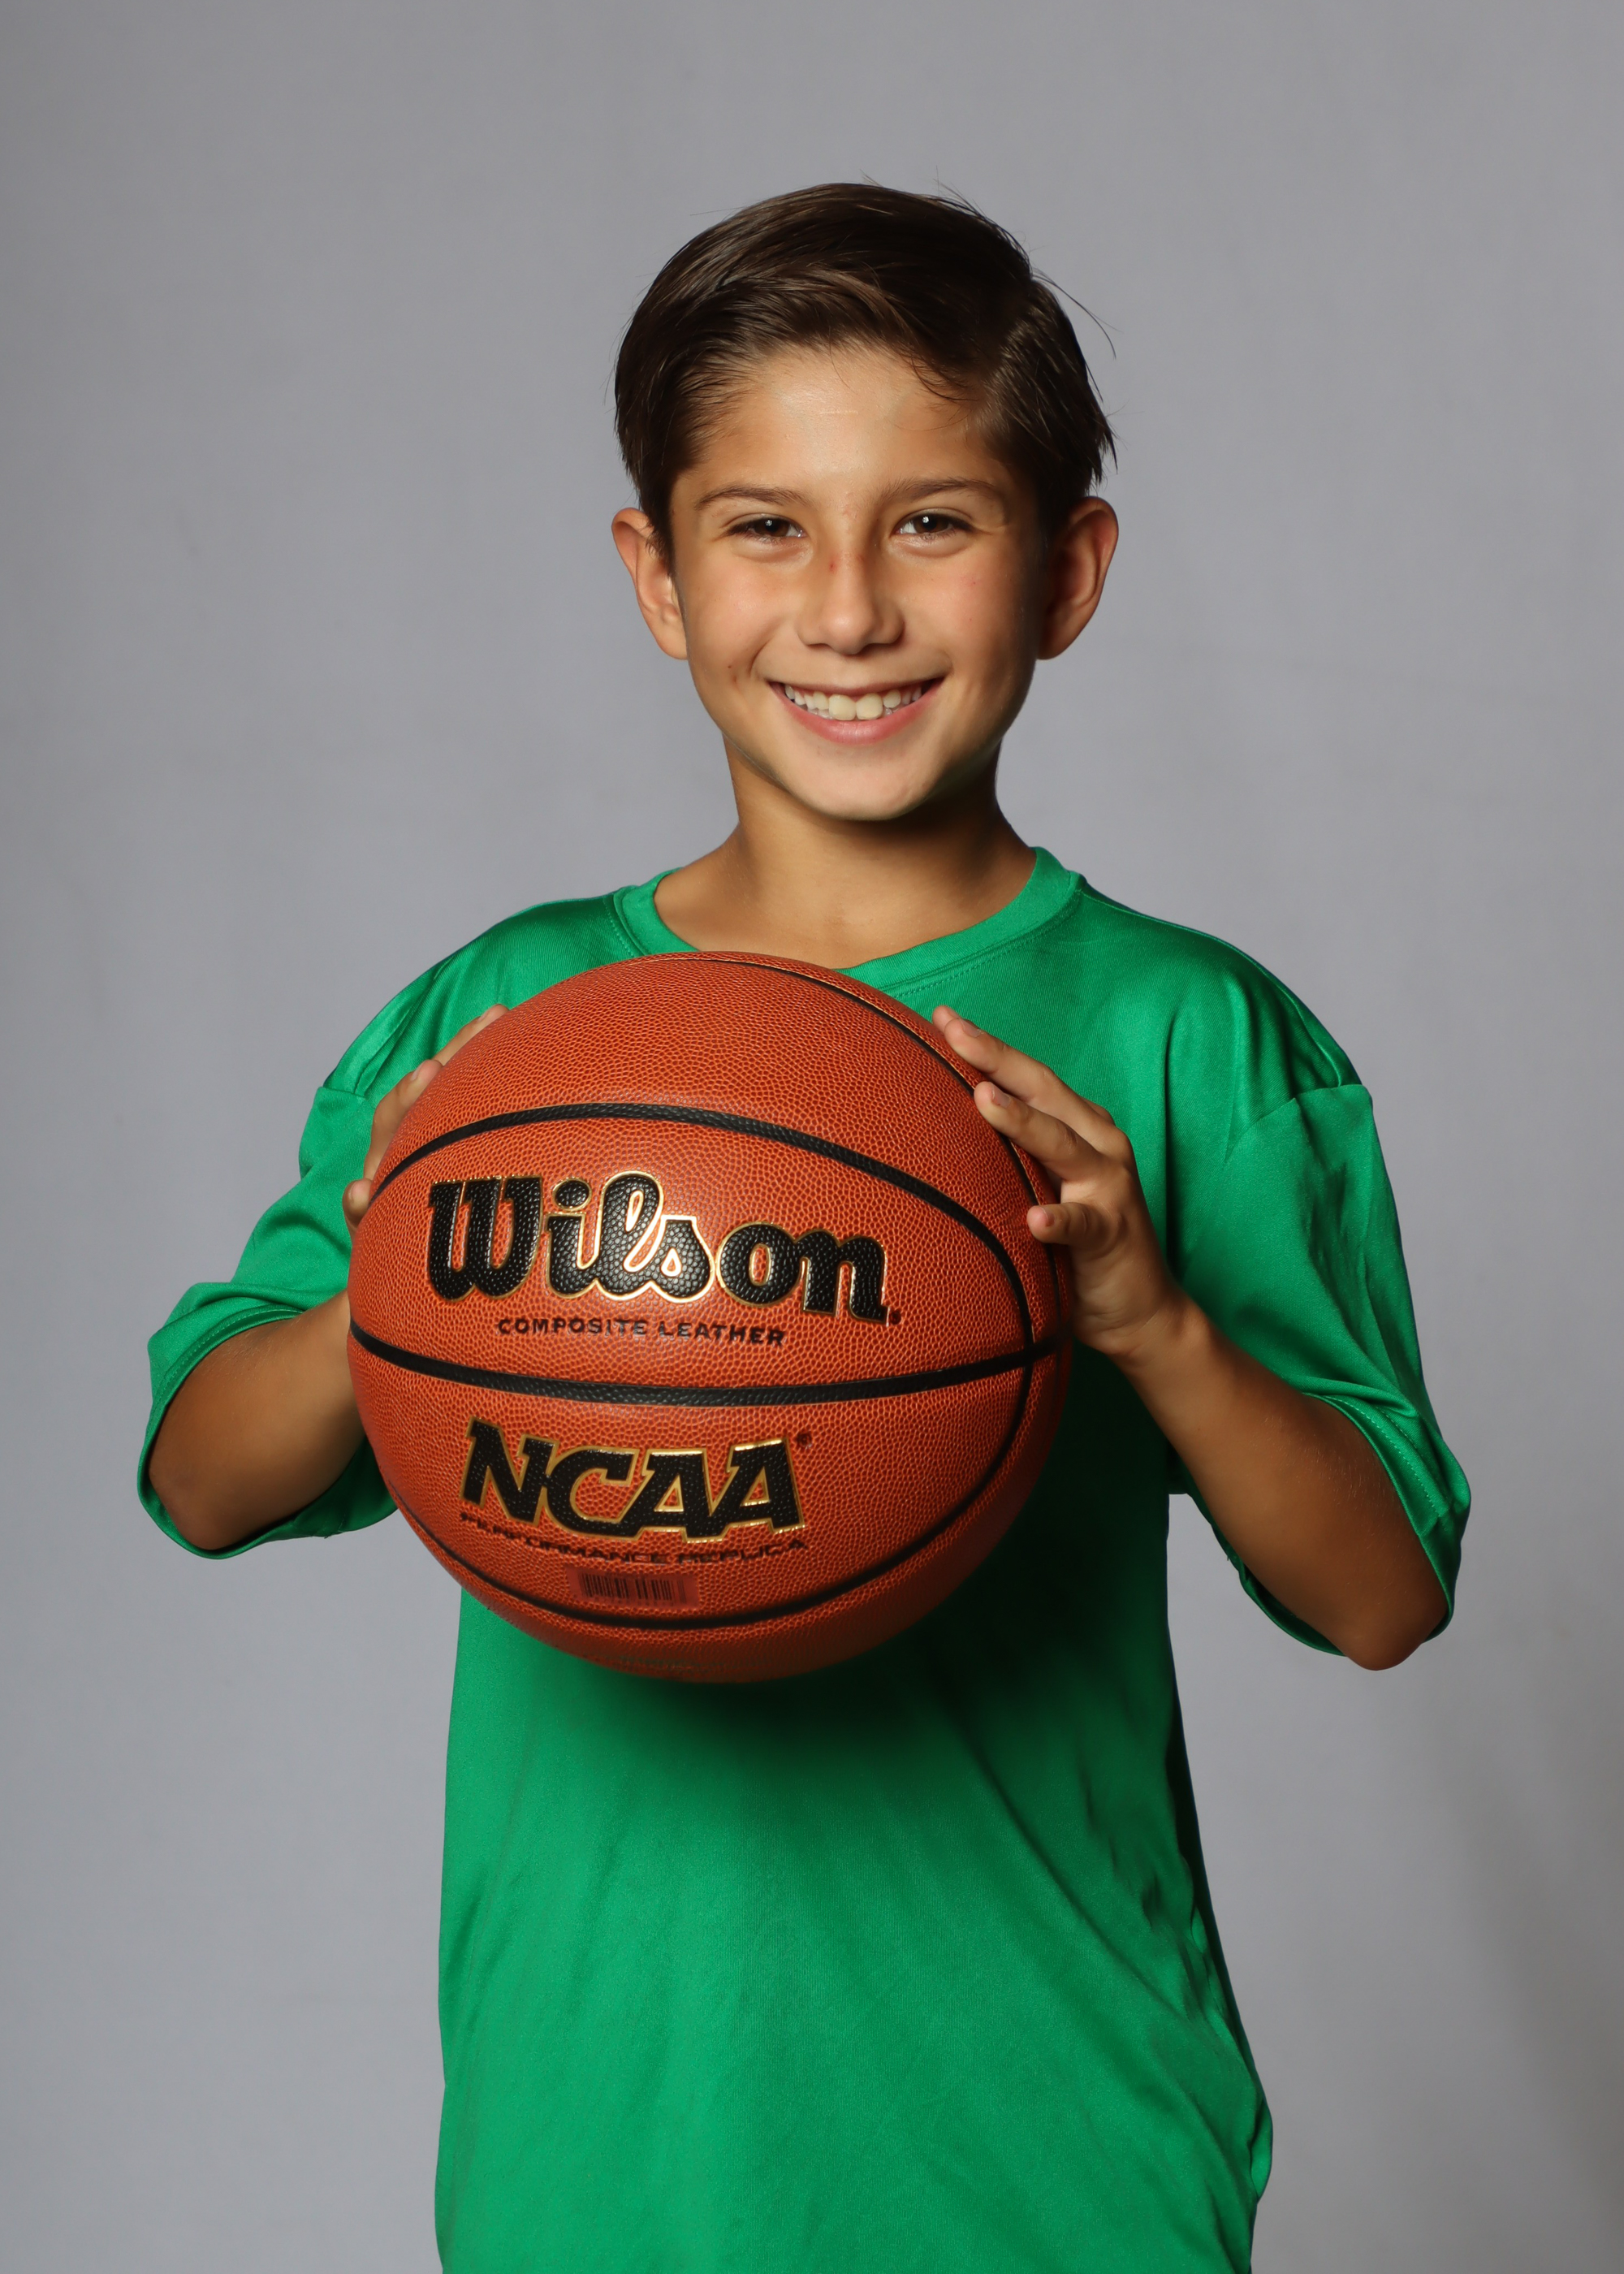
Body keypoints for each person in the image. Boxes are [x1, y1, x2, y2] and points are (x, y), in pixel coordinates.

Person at [142, 184, 1468, 2272]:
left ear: (1068, 568)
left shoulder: (1185, 1033)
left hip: (1059, 2157)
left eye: (931, 522)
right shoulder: (509, 1031)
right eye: (764, 526)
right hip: (599, 2154)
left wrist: (1150, 1318)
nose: (847, 608)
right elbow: (204, 1481)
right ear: (657, 578)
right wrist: (392, 1274)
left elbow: (1382, 1595)